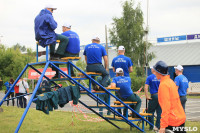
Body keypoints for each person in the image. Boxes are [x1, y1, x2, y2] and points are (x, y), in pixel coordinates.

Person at [153, 61, 186, 133]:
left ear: (159, 72)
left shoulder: (164, 85)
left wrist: (163, 126)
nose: (154, 73)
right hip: (179, 117)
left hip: (173, 120)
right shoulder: (170, 82)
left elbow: (166, 107)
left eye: (155, 71)